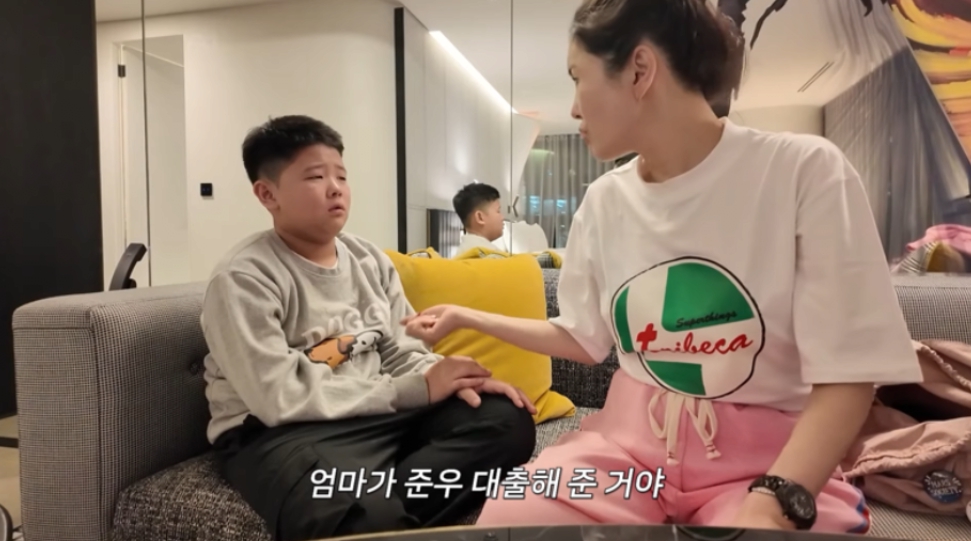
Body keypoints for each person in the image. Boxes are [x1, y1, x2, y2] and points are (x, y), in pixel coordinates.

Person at [403, 0, 922, 534]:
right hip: (628, 450)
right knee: (512, 522)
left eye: (578, 78)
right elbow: (583, 338)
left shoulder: (804, 171)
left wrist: (774, 499)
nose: (574, 108)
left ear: (639, 70)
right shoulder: (603, 200)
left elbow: (850, 376)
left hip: (765, 462)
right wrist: (467, 316)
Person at [200, 115, 536, 541]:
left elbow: (400, 348)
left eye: (341, 175)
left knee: (506, 419)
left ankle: (373, 506)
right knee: (360, 513)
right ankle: (369, 511)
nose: (335, 188)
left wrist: (448, 379)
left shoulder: (367, 259)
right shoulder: (243, 277)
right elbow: (278, 396)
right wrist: (419, 389)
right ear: (267, 194)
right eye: (315, 177)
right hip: (280, 431)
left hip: (374, 412)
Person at [452, 182, 506, 256]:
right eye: (498, 211)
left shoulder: (464, 251)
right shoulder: (491, 257)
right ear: (480, 217)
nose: (502, 217)